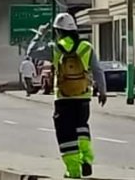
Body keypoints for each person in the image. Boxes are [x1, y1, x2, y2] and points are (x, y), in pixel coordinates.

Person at [49, 12, 106, 179]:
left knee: (66, 135)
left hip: (63, 98)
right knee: (82, 127)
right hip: (83, 96)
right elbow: (97, 70)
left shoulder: (54, 47)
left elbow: (32, 51)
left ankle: (73, 171)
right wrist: (102, 91)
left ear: (58, 31)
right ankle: (86, 159)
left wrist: (40, 34)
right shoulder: (86, 47)